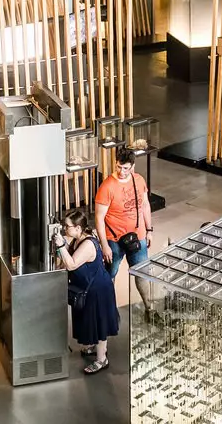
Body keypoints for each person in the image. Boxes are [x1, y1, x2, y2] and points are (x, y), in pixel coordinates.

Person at [57, 208, 119, 374]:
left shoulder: (88, 244)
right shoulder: (78, 240)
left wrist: (61, 245)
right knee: (90, 321)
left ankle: (101, 359)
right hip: (87, 288)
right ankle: (95, 349)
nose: (65, 229)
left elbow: (71, 264)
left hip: (98, 290)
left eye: (67, 226)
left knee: (99, 323)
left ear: (78, 228)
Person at [93, 154, 153, 278]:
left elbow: (145, 205)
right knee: (109, 274)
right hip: (114, 238)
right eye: (119, 167)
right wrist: (104, 245)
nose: (121, 171)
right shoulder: (107, 186)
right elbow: (99, 218)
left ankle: (146, 298)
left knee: (142, 273)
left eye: (126, 168)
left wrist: (149, 230)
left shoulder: (139, 180)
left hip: (138, 234)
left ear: (132, 166)